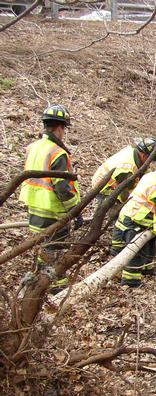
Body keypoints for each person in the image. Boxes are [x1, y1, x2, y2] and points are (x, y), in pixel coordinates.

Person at [19, 104, 82, 292]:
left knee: (42, 248)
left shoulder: (34, 147)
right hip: (53, 211)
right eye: (64, 129)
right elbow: (62, 188)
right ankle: (56, 290)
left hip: (34, 207)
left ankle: (38, 280)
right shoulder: (57, 153)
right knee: (57, 252)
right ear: (60, 128)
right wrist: (75, 211)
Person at [111, 153, 156, 287]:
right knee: (136, 253)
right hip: (137, 220)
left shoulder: (152, 175)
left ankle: (147, 268)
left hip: (127, 213)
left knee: (149, 242)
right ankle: (131, 282)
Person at [91, 137, 156, 211]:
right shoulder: (127, 169)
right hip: (104, 189)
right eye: (151, 160)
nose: (150, 163)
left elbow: (145, 175)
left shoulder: (134, 153)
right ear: (144, 156)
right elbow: (124, 195)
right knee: (119, 212)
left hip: (115, 183)